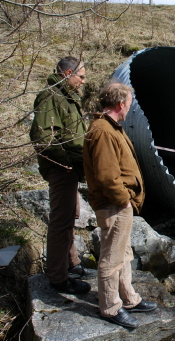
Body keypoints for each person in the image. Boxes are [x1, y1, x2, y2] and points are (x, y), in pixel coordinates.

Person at [83, 82, 156, 328]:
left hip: (118, 205)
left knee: (123, 254)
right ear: (120, 104)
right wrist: (124, 200)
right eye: (129, 105)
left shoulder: (110, 127)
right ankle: (110, 307)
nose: (129, 110)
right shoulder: (103, 130)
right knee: (111, 258)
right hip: (113, 205)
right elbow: (106, 176)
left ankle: (129, 299)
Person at [30, 56, 97, 295]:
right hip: (61, 168)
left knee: (71, 214)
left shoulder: (65, 97)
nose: (83, 82)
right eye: (81, 76)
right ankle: (58, 278)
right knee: (61, 220)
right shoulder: (51, 97)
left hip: (69, 169)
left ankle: (72, 264)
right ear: (68, 74)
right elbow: (44, 139)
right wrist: (67, 164)